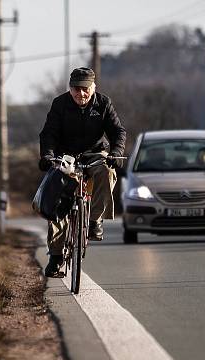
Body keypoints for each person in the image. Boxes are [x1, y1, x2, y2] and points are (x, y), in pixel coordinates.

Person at [38, 67, 126, 277]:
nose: (81, 94)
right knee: (58, 203)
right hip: (66, 157)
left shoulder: (103, 103)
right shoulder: (59, 104)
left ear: (93, 88)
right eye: (77, 89)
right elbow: (48, 133)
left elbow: (117, 131)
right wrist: (48, 156)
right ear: (70, 89)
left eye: (86, 89)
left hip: (95, 154)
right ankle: (56, 257)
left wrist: (116, 152)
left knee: (105, 171)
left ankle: (95, 220)